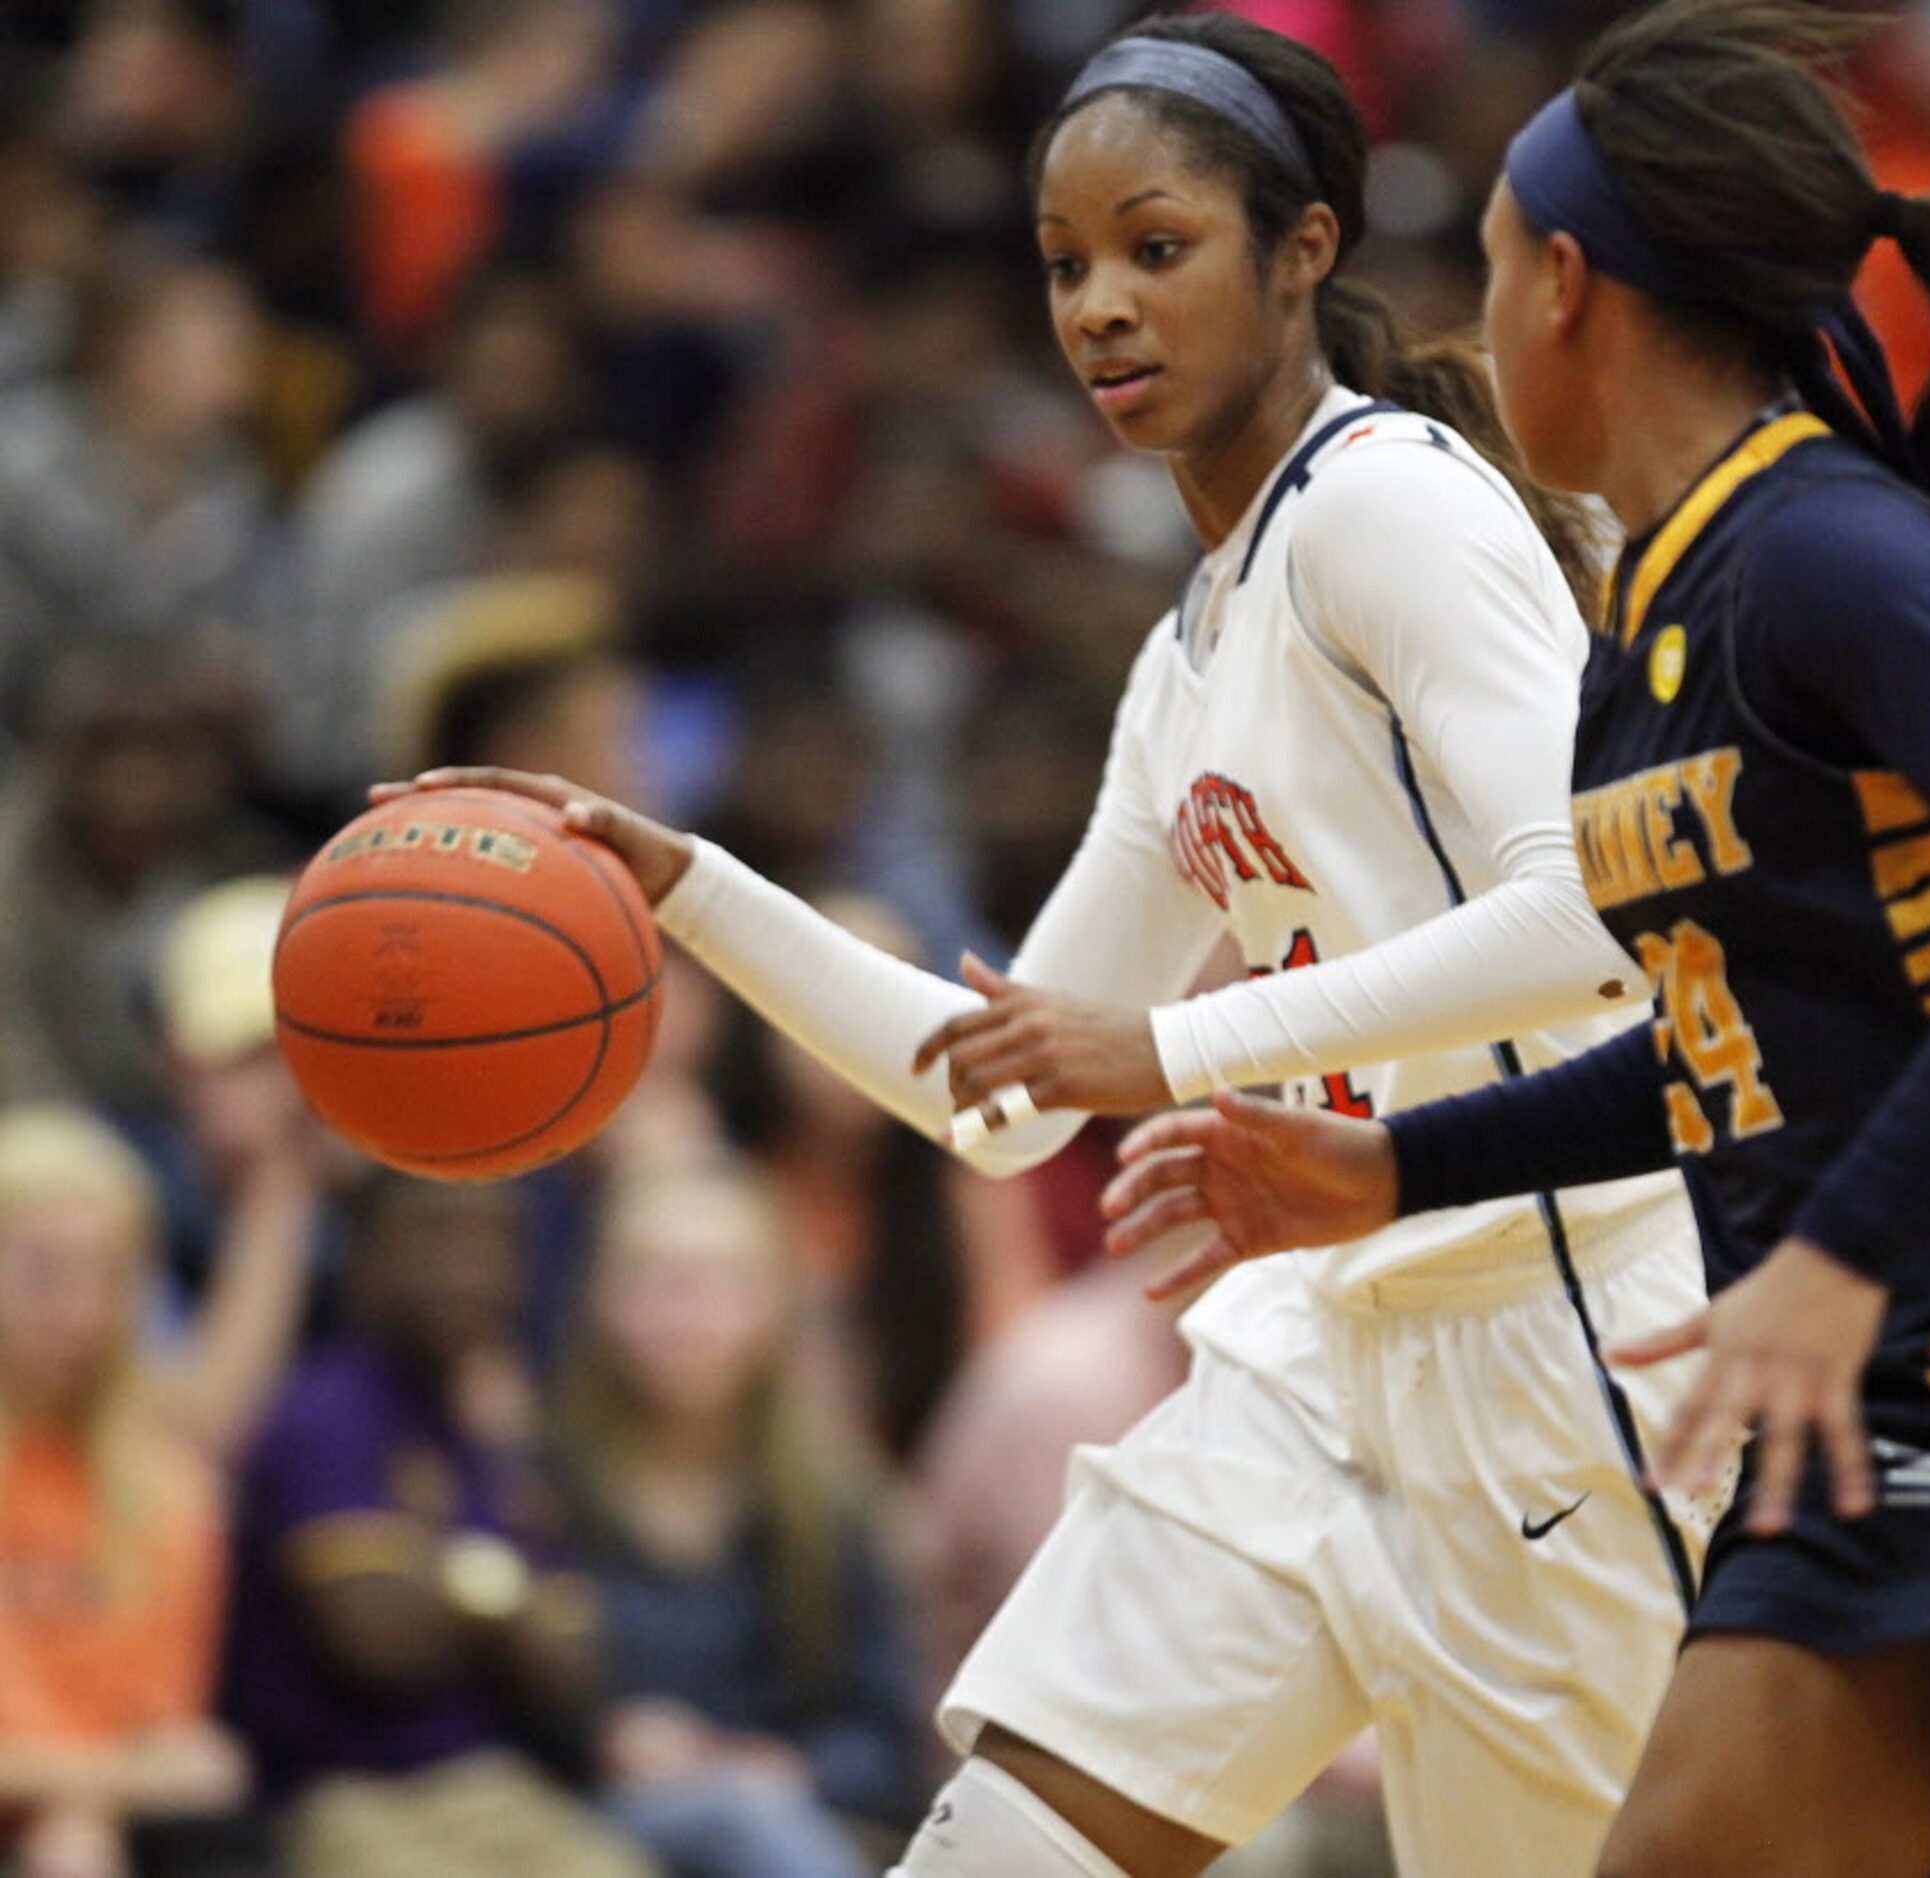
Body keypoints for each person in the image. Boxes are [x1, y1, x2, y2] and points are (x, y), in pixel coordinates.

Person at [381, 13, 1717, 1875]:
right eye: (1066, 265)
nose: (1097, 305)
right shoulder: (1184, 653)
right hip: (1315, 1354)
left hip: (1563, 1345)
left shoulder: (1390, 503)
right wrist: (684, 883)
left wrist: (1167, 1053)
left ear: (1300, 249)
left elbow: (1596, 920)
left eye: (1154, 250)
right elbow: (995, 1093)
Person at [1102, 4, 1930, 1873]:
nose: (1480, 313)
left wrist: (1841, 1252)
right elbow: (1727, 1044)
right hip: (1862, 1359)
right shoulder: (1651, 615)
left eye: (1496, 267)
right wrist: (1398, 1164)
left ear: (1570, 287)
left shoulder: (1825, 546)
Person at [218, 1172, 654, 1878]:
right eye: (436, 1234)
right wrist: (504, 1599)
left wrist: (450, 1583)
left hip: (502, 1792)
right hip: (341, 1800)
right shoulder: (325, 1419)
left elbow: (572, 1670)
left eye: (494, 1241)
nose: (468, 1270)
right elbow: (376, 1644)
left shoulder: (488, 1441)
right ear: (364, 1253)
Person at [552, 1164, 921, 1878]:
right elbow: (486, 1710)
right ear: (598, 1296)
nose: (683, 1312)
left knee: (743, 1815)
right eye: (654, 1278)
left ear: (775, 1308)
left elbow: (887, 1741)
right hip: (585, 1826)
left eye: (717, 1282)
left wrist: (786, 1769)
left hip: (791, 1824)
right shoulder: (537, 1484)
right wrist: (602, 1737)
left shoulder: (835, 1500)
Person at [0, 1105, 252, 1878]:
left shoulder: (168, 1491)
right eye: (43, 1272)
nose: (79, 1312)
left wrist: (79, 1803)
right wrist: (89, 1793)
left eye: (108, 1276)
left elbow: (168, 1733)